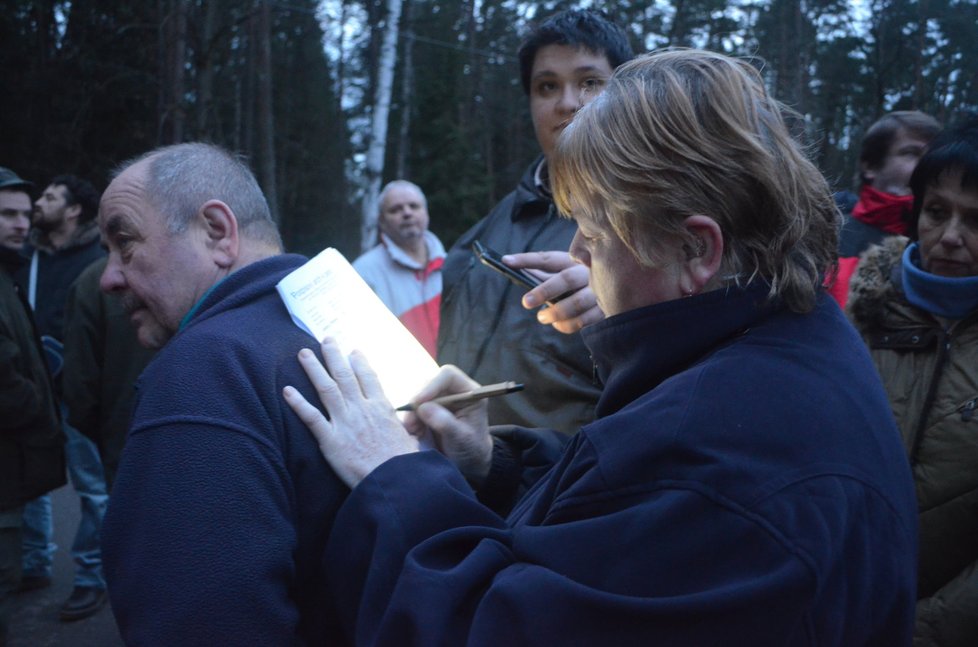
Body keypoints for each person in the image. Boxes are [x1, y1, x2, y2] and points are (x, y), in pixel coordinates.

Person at [283, 49, 918, 645]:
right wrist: (491, 463)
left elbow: (487, 626)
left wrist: (395, 478)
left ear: (697, 249)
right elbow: (615, 519)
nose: (579, 256)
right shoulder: (784, 334)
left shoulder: (719, 467)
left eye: (592, 229)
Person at [97, 142, 348, 645]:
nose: (108, 278)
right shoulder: (345, 331)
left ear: (217, 232)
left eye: (124, 242)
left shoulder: (203, 373)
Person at [437, 8, 633, 435]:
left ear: (623, 92)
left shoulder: (657, 228)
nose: (567, 102)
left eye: (589, 82)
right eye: (547, 86)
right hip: (461, 477)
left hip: (573, 489)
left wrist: (621, 317)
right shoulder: (483, 234)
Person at [847, 116, 978, 646]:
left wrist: (919, 632)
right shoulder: (859, 318)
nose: (949, 237)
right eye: (937, 212)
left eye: (976, 220)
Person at [14, 174, 110, 621]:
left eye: (50, 197)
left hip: (78, 391)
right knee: (29, 479)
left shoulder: (98, 260)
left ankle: (93, 577)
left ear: (73, 210)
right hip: (32, 392)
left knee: (92, 489)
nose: (39, 203)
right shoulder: (24, 258)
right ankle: (34, 563)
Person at [0, 167, 65, 644]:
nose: (21, 224)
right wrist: (40, 403)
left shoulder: (9, 273)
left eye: (24, 215)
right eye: (6, 214)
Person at [61, 256, 156, 490]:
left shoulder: (92, 282)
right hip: (127, 444)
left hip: (125, 447)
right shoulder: (93, 284)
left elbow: (79, 393)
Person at [829, 111, 941, 306]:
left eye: (932, 155)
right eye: (911, 153)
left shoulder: (949, 244)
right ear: (870, 166)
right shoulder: (826, 235)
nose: (926, 165)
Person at [353, 180, 445, 357]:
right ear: (382, 221)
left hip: (461, 376)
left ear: (426, 213)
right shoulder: (362, 274)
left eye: (414, 206)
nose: (407, 213)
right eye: (395, 209)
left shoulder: (452, 264)